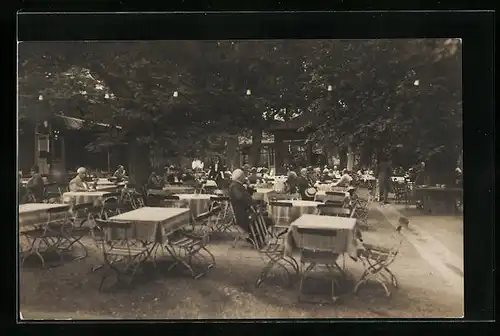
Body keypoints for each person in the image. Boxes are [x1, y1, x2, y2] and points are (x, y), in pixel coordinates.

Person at [228, 169, 258, 243]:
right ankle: (256, 239)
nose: (245, 178)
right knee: (264, 218)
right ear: (240, 178)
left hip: (242, 212)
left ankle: (257, 238)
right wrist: (252, 203)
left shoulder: (236, 185)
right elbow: (241, 198)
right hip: (242, 214)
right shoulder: (235, 186)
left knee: (263, 216)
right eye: (243, 176)